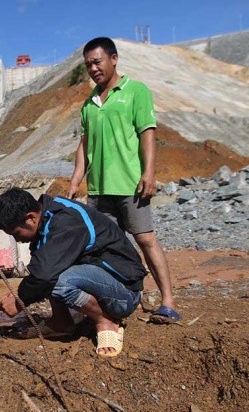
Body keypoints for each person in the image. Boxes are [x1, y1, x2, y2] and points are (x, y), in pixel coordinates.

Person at [67, 37, 180, 323]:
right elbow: (83, 147)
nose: (93, 68)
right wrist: (75, 181)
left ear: (114, 59)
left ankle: (168, 301)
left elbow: (147, 134)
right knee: (105, 250)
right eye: (88, 64)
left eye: (97, 61)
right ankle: (114, 304)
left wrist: (149, 172)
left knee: (145, 239)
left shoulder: (135, 91)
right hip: (99, 190)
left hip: (130, 184)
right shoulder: (88, 104)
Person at [0, 188, 147, 357]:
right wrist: (19, 295)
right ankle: (61, 322)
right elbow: (42, 266)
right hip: (104, 283)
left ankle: (106, 320)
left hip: (125, 295)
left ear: (30, 218)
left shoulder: (66, 221)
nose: (17, 240)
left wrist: (19, 301)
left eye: (17, 233)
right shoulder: (47, 218)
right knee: (49, 268)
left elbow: (44, 275)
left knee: (55, 279)